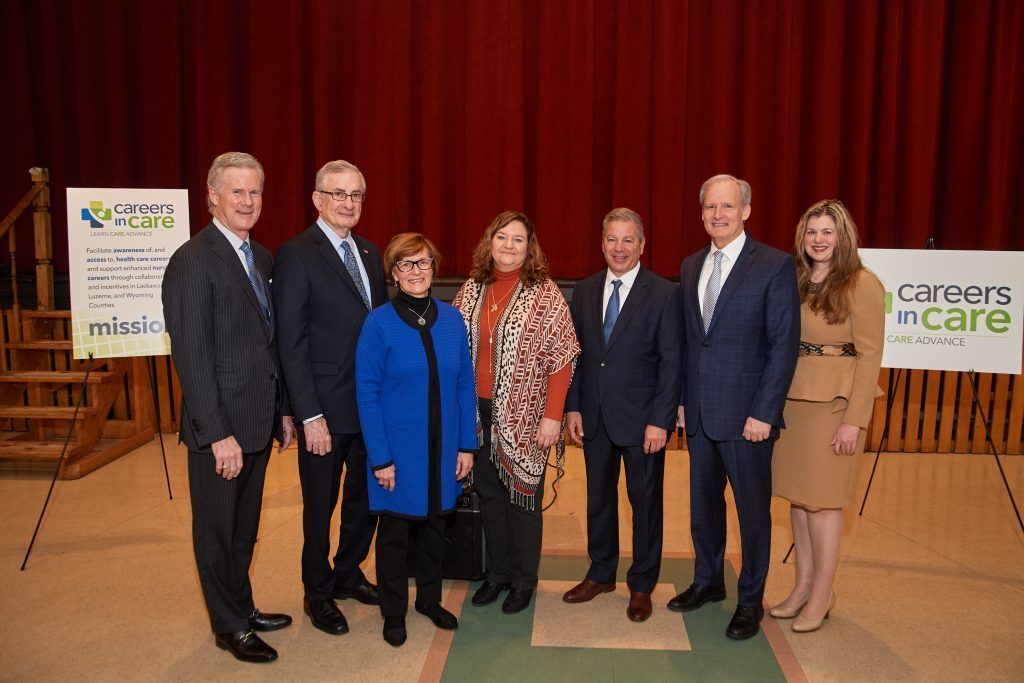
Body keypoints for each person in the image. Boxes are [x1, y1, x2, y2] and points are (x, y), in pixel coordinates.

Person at [162, 152, 296, 663]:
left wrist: (281, 411)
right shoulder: (193, 261)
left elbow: (267, 345)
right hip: (220, 431)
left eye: (254, 192)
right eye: (236, 192)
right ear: (213, 196)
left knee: (245, 527)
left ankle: (243, 606)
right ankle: (229, 626)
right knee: (217, 532)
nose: (247, 201)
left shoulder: (259, 257)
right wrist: (217, 434)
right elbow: (192, 358)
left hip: (258, 423)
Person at [670, 174, 800, 640]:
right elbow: (690, 344)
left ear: (746, 210)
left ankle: (750, 600)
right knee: (703, 509)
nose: (717, 215)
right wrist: (683, 403)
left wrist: (764, 412)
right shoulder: (689, 266)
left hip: (749, 419)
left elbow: (783, 345)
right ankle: (708, 581)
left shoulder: (774, 265)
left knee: (751, 513)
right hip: (701, 415)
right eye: (710, 207)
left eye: (727, 207)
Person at [272, 160, 387, 635]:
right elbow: (290, 342)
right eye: (338, 194)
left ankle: (348, 572)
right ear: (317, 199)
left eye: (356, 195)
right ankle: (317, 592)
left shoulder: (369, 251)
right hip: (323, 410)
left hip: (369, 407)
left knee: (366, 500)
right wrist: (307, 413)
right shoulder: (296, 253)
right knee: (320, 507)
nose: (348, 203)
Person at [453, 211, 580, 614]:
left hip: (527, 415)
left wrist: (553, 417)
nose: (509, 246)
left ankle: (524, 581)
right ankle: (497, 576)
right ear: (489, 241)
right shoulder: (472, 289)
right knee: (490, 497)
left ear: (530, 248)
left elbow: (562, 357)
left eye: (518, 240)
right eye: (502, 237)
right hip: (478, 412)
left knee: (523, 501)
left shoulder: (545, 293)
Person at [355, 233, 477, 647]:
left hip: (444, 451)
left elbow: (464, 386)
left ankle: (428, 599)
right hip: (397, 456)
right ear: (393, 272)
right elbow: (367, 393)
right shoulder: (378, 323)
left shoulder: (452, 319)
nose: (415, 272)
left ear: (434, 268)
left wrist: (466, 445)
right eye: (406, 264)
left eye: (423, 263)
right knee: (393, 537)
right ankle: (394, 611)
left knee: (434, 531)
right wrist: (380, 458)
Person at [562, 208, 682, 622]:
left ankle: (642, 584)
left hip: (643, 421)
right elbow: (576, 356)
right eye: (612, 239)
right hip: (594, 417)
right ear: (602, 244)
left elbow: (672, 362)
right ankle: (601, 572)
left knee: (645, 502)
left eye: (628, 239)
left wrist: (660, 420)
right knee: (598, 498)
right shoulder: (585, 289)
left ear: (642, 245)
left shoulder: (665, 293)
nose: (619, 247)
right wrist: (573, 406)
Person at [770, 200, 884, 632]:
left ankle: (822, 593)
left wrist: (855, 420)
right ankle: (802, 586)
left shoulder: (862, 283)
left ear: (844, 237)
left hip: (835, 407)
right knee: (799, 500)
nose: (818, 240)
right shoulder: (797, 279)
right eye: (811, 232)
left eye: (827, 232)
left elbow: (871, 355)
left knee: (824, 504)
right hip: (794, 401)